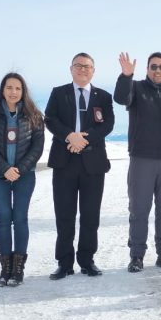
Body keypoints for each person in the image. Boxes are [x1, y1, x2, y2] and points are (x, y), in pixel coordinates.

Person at [114, 52, 161, 273]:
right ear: (147, 69)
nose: (158, 71)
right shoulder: (135, 88)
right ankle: (136, 256)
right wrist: (126, 76)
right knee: (139, 209)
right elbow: (120, 98)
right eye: (153, 67)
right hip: (141, 159)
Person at [45, 53, 115, 279]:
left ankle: (87, 260)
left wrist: (84, 139)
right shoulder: (59, 93)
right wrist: (69, 136)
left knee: (90, 215)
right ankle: (64, 263)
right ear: (71, 69)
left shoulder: (103, 96)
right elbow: (50, 119)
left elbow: (108, 124)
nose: (83, 69)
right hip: (64, 161)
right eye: (79, 66)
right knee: (64, 214)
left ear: (93, 71)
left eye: (87, 66)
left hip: (93, 163)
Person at [0, 73, 45, 286]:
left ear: (23, 91)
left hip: (24, 176)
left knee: (20, 218)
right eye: (9, 87)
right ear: (3, 89)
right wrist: (4, 168)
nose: (13, 92)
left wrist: (20, 169)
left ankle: (18, 268)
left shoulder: (34, 115)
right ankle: (5, 268)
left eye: (17, 88)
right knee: (3, 218)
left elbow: (37, 147)